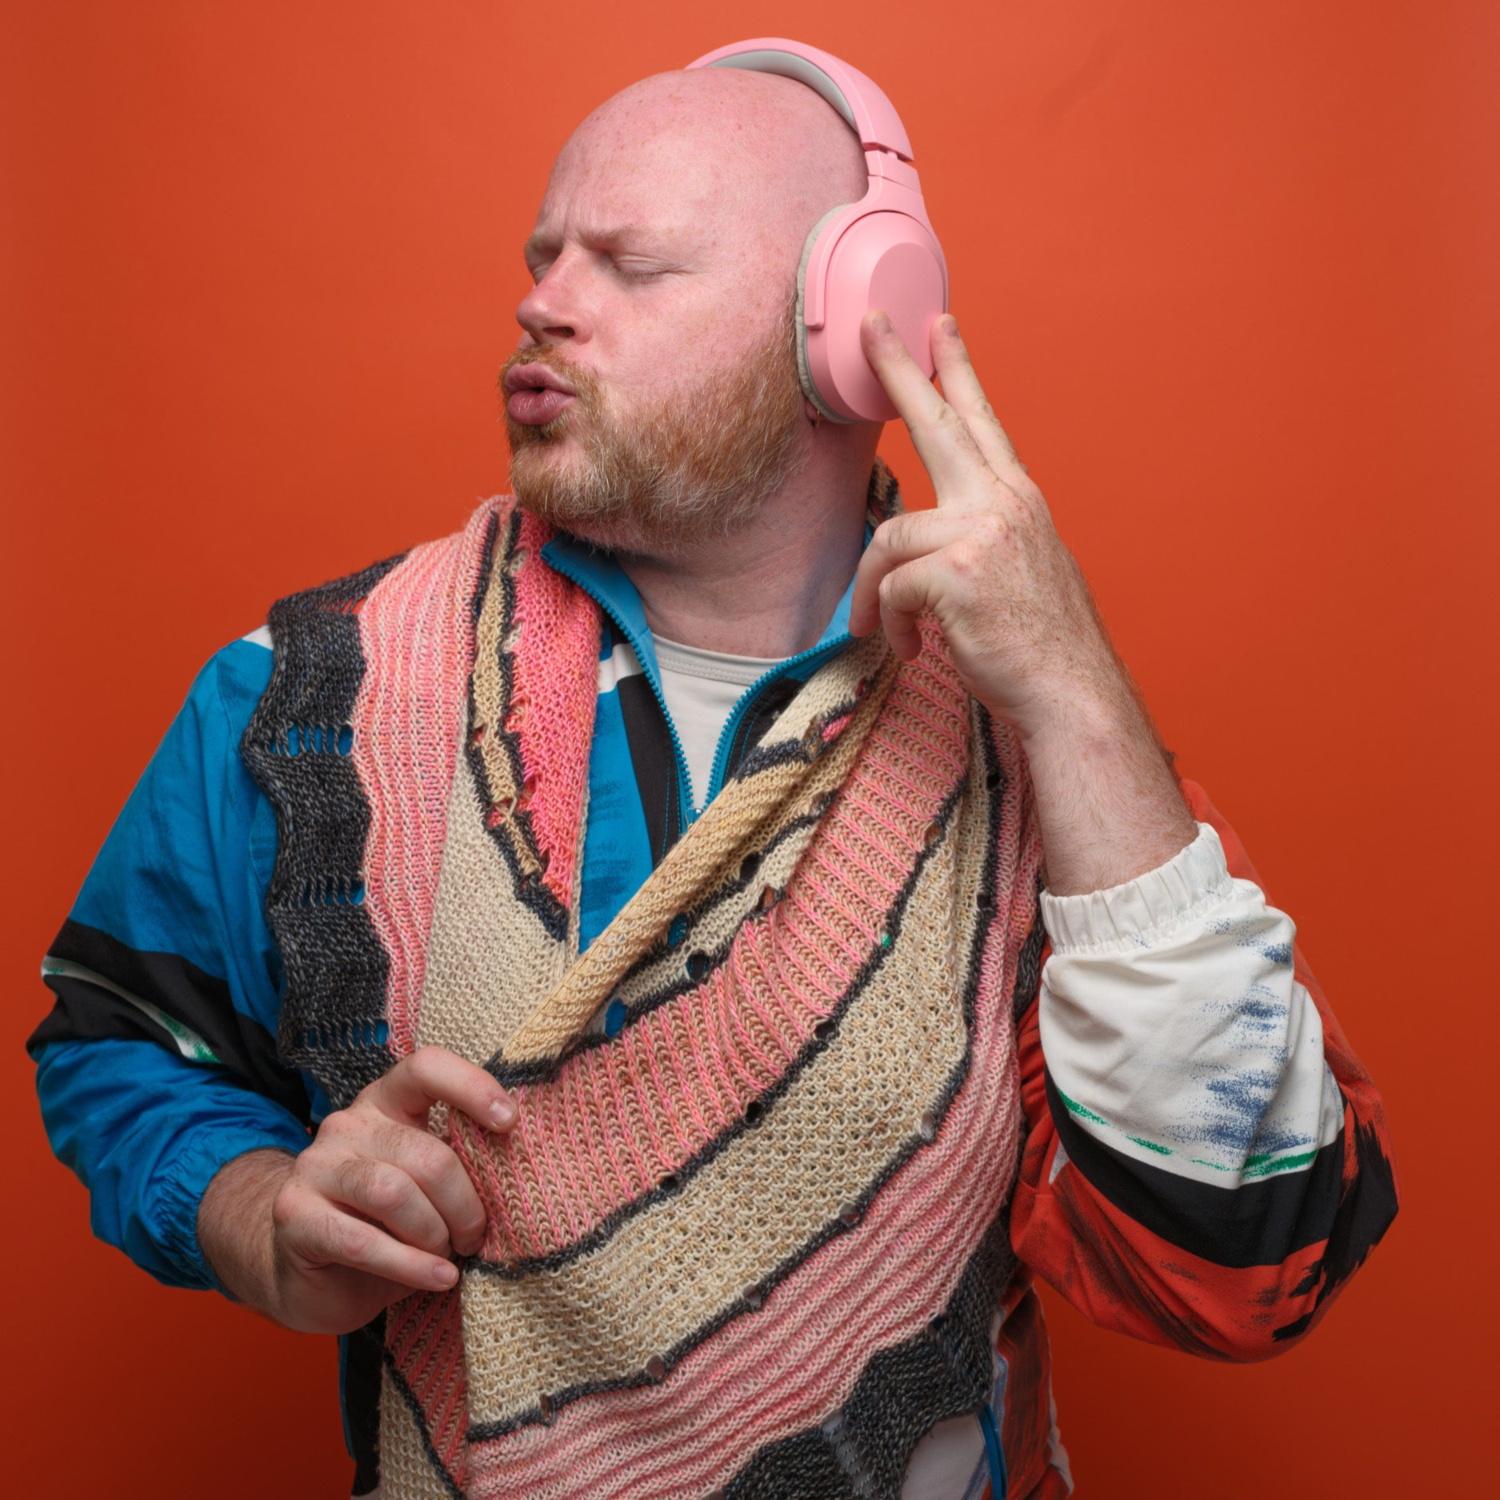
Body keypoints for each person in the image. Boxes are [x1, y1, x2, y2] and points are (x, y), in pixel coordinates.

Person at [28, 38, 1396, 1500]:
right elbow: (116, 1045)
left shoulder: (1039, 764)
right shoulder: (316, 695)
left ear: (850, 327)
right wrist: (261, 1220)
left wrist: (1072, 688)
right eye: (544, 254)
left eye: (629, 265)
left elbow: (1239, 1261)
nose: (539, 302)